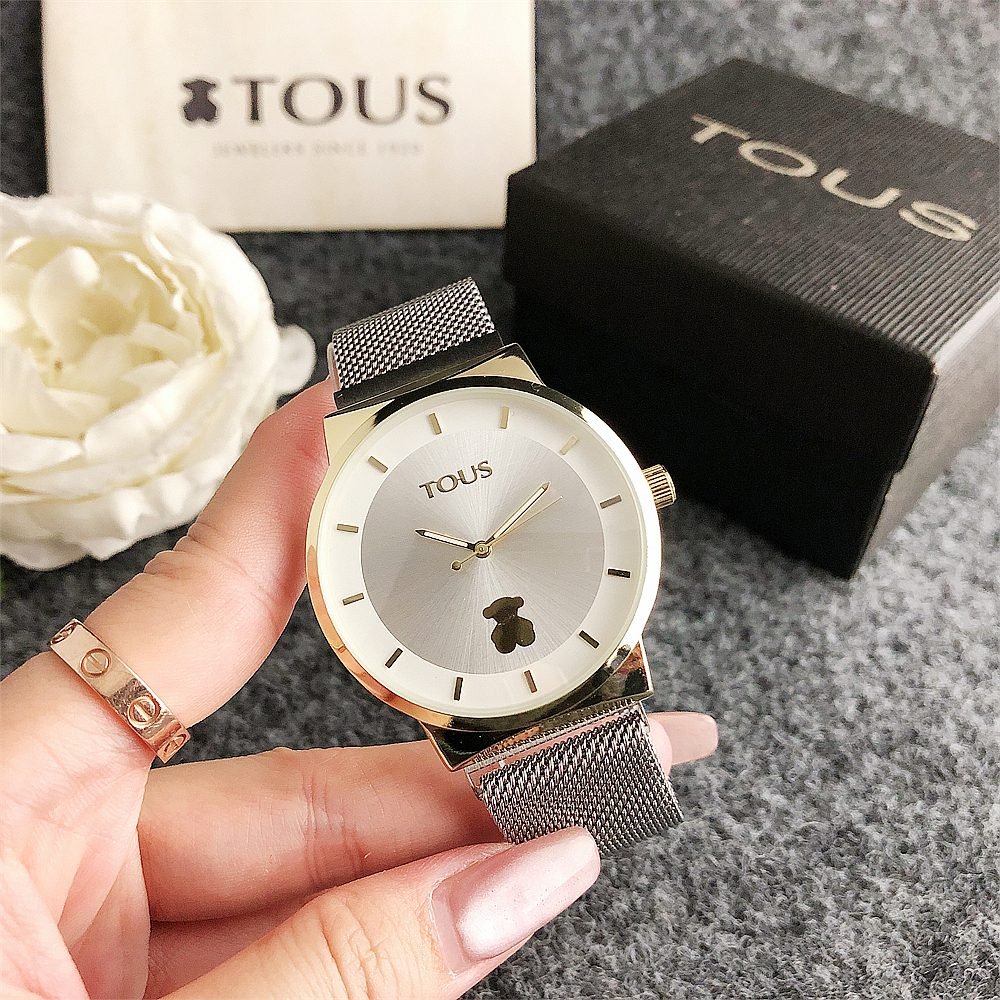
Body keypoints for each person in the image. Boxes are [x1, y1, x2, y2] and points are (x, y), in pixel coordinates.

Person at [1, 382, 718, 1000]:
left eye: (484, 545)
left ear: (641, 492)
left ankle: (590, 814)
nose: (480, 550)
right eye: (475, 548)